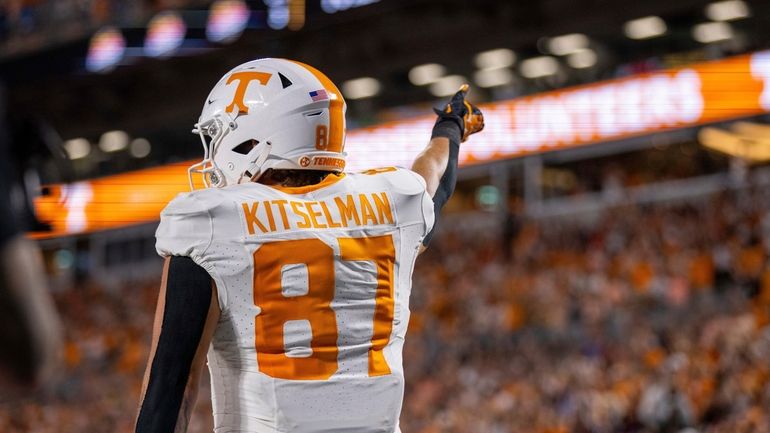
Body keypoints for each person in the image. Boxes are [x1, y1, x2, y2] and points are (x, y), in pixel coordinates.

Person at [135, 58, 483, 433]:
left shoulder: (211, 223)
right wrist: (450, 127)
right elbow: (434, 177)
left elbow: (171, 387)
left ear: (256, 138)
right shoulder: (393, 203)